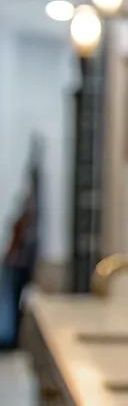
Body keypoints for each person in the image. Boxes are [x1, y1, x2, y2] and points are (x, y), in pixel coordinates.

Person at [0, 139, 42, 351]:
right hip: (15, 262)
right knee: (10, 302)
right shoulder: (26, 213)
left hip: (16, 263)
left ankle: (8, 338)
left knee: (11, 302)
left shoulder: (28, 214)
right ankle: (7, 338)